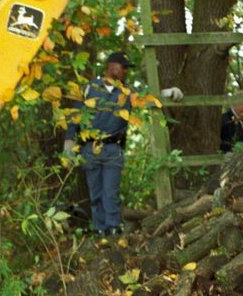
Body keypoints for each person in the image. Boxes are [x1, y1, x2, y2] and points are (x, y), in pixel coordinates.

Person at [63, 51, 183, 237]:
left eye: (127, 68)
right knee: (95, 194)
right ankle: (100, 230)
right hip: (90, 148)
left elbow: (148, 99)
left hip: (113, 148)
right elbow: (74, 116)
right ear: (111, 66)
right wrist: (69, 141)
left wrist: (167, 93)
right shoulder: (89, 88)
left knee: (110, 192)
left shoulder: (127, 93)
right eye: (123, 67)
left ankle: (114, 229)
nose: (125, 71)